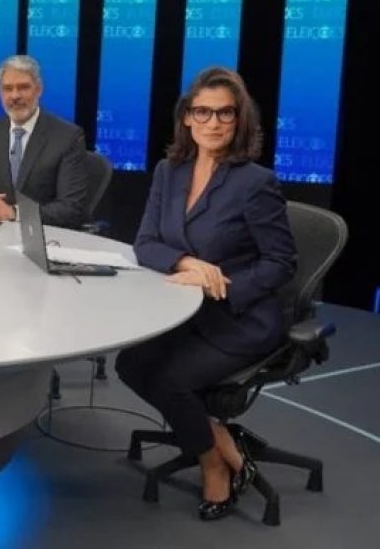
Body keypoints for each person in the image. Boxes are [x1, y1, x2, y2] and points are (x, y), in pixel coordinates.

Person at [115, 66, 297, 521]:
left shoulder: (255, 182)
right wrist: (186, 263)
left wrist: (223, 283)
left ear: (238, 120)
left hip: (241, 317)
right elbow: (145, 243)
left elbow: (281, 262)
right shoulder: (168, 171)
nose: (213, 122)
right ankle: (221, 437)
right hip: (184, 312)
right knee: (129, 364)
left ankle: (212, 464)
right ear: (187, 117)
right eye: (203, 112)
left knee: (170, 380)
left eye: (225, 113)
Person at [0, 54, 88, 228]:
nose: (15, 96)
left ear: (39, 89)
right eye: (8, 88)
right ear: (0, 92)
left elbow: (71, 208)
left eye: (23, 87)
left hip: (45, 236)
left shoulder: (68, 137)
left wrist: (14, 213)